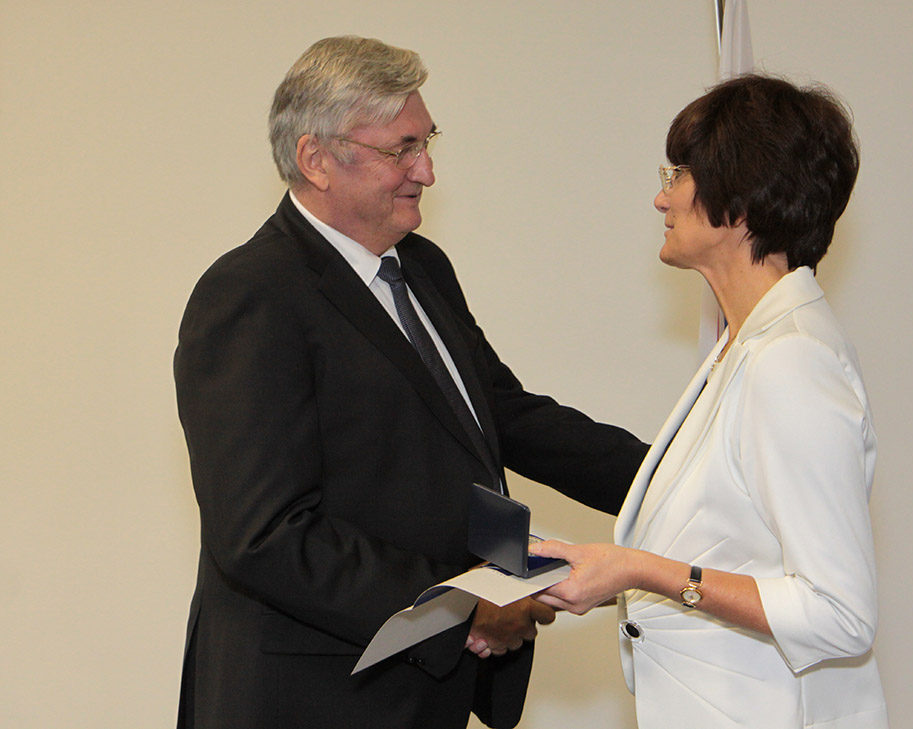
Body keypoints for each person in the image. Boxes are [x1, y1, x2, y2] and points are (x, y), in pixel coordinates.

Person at [173, 36, 647, 729]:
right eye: (401, 149)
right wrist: (459, 606)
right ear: (315, 159)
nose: (425, 171)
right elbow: (263, 534)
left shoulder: (420, 267)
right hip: (309, 698)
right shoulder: (251, 294)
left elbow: (501, 418)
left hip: (420, 689)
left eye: (427, 143)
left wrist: (675, 477)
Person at [532, 74, 889, 728]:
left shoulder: (790, 360)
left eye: (678, 175)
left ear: (740, 199)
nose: (660, 197)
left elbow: (840, 614)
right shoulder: (745, 343)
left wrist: (639, 569)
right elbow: (735, 547)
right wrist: (607, 569)